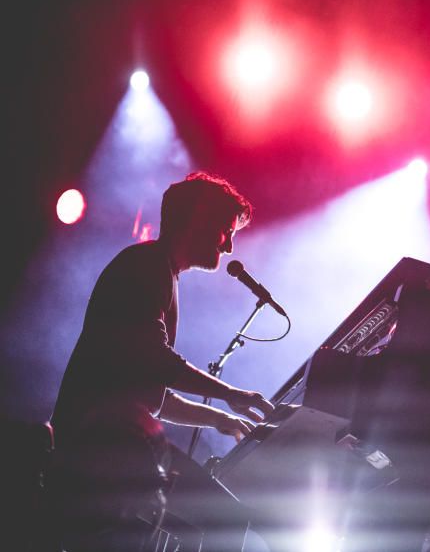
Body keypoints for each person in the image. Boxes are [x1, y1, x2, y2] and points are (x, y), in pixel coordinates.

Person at [47, 172, 274, 551]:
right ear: (198, 220)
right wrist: (231, 393)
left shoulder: (158, 269)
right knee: (228, 520)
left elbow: (149, 391)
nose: (230, 246)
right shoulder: (147, 265)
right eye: (224, 229)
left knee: (200, 525)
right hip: (101, 449)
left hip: (101, 446)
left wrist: (220, 417)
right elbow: (155, 360)